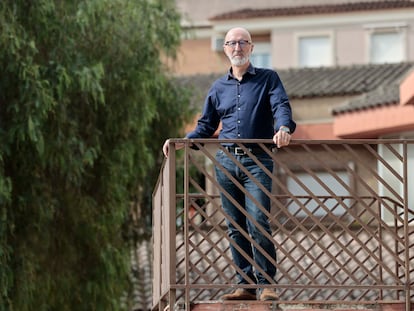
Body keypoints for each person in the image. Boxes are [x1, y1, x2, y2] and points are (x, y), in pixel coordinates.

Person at [163, 27, 295, 301]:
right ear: (225, 48)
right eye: (232, 43)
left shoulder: (268, 79)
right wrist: (181, 141)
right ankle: (245, 285)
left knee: (258, 220)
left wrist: (283, 128)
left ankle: (266, 284)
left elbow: (281, 105)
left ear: (251, 48)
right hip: (225, 161)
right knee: (235, 224)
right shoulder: (217, 87)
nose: (237, 47)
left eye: (243, 43)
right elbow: (206, 125)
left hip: (257, 159)